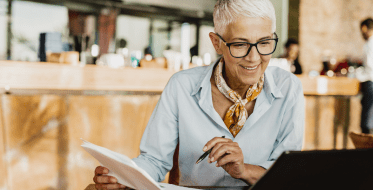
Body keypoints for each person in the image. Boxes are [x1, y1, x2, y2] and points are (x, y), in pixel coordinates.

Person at [93, 0, 305, 189]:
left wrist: (245, 171)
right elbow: (155, 161)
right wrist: (122, 178)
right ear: (216, 43)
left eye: (264, 43)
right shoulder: (181, 86)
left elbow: (289, 176)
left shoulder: (289, 89)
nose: (254, 57)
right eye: (240, 45)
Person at [358, 18, 373, 134]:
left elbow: (369, 67)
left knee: (367, 121)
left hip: (370, 82)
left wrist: (357, 74)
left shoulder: (369, 44)